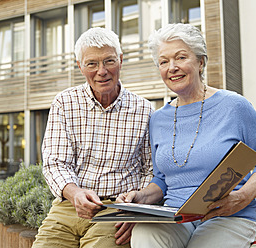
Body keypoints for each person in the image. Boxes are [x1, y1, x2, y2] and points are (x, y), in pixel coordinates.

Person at [117, 23, 256, 248]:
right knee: (145, 234)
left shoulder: (234, 106)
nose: (172, 67)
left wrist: (242, 197)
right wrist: (140, 197)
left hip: (229, 216)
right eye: (164, 62)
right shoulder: (158, 119)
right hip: (177, 216)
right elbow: (162, 179)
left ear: (200, 62)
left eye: (181, 57)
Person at [32, 27, 154, 248]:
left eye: (109, 61)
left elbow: (151, 169)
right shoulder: (64, 103)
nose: (102, 71)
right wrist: (75, 193)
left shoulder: (144, 109)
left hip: (116, 211)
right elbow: (55, 163)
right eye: (92, 64)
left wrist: (136, 208)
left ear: (121, 60)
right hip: (69, 205)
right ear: (80, 66)